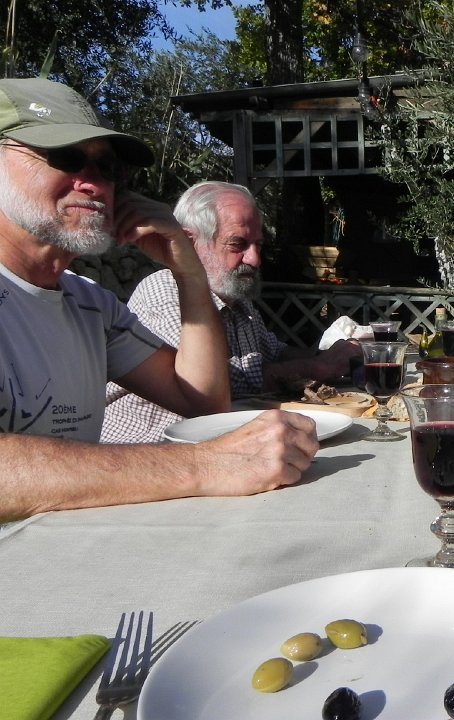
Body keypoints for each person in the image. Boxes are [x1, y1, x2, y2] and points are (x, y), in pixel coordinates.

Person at [0, 78, 318, 522]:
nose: (93, 184)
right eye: (65, 157)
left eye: (107, 168)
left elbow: (204, 403)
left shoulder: (91, 307)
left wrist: (188, 270)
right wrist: (208, 464)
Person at [101, 181, 361, 443]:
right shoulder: (164, 292)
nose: (255, 259)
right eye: (238, 244)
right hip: (149, 448)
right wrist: (315, 367)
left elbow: (274, 350)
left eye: (258, 245)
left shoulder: (236, 298)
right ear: (190, 243)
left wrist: (331, 353)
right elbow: (213, 387)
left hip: (216, 444)